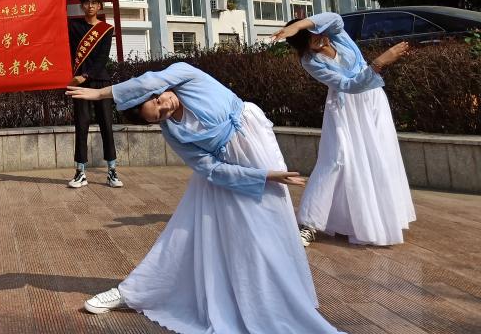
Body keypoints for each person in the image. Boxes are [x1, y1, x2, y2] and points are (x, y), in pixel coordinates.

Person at [67, 62, 343, 334]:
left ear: (155, 90)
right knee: (189, 234)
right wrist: (263, 176)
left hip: (258, 149)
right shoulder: (172, 131)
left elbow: (148, 80)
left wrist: (102, 93)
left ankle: (281, 299)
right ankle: (134, 291)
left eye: (158, 101)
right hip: (231, 175)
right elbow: (209, 168)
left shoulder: (186, 76)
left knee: (270, 229)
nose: (165, 108)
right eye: (158, 116)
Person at [274, 13, 415, 247]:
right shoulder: (310, 61)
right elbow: (347, 85)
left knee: (381, 156)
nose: (320, 37)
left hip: (373, 103)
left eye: (317, 32)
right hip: (345, 108)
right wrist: (379, 63)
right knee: (335, 160)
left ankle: (381, 218)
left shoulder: (337, 36)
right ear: (304, 46)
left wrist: (299, 24)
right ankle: (308, 223)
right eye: (312, 39)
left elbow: (335, 19)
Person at [67, 0, 120, 188]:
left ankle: (112, 171)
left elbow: (102, 59)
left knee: (106, 124)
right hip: (79, 84)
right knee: (81, 125)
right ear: (82, 6)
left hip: (100, 82)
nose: (90, 6)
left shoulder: (106, 29)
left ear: (99, 6)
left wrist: (85, 75)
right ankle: (80, 172)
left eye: (94, 3)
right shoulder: (74, 27)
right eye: (87, 3)